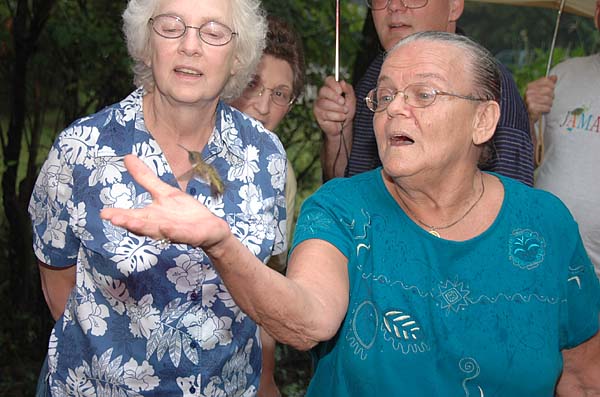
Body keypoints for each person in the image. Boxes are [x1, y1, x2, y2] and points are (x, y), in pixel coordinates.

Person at [101, 32, 600, 396]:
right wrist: (221, 243)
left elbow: (582, 376)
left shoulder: (545, 224)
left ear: (484, 120)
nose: (394, 110)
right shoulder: (341, 208)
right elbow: (308, 321)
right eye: (383, 96)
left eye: (423, 94)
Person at [28, 0, 288, 395]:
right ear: (146, 45)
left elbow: (262, 288)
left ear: (238, 58)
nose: (190, 45)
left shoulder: (266, 157)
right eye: (171, 26)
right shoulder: (79, 151)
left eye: (214, 32)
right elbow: (57, 283)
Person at [315, 0, 534, 186]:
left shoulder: (487, 84)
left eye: (425, 94)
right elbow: (349, 188)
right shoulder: (373, 78)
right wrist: (337, 136)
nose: (394, 6)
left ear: (454, 6)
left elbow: (512, 214)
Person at [229, 15, 305, 397]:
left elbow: (267, 285)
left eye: (279, 94)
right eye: (253, 84)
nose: (262, 106)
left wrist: (265, 377)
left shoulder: (279, 174)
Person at [523, 0, 600, 277]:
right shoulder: (563, 74)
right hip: (543, 251)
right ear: (597, 15)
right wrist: (528, 116)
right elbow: (530, 158)